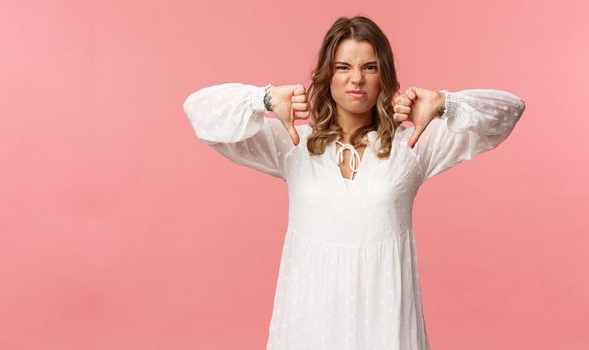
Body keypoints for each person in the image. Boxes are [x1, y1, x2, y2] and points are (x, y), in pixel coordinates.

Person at [182, 15, 525, 350]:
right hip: (309, 322)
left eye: (370, 67)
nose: (356, 79)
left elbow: (509, 111)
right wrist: (265, 100)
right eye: (343, 67)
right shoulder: (292, 144)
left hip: (386, 322)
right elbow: (198, 112)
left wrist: (444, 105)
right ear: (327, 76)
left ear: (384, 77)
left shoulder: (414, 145)